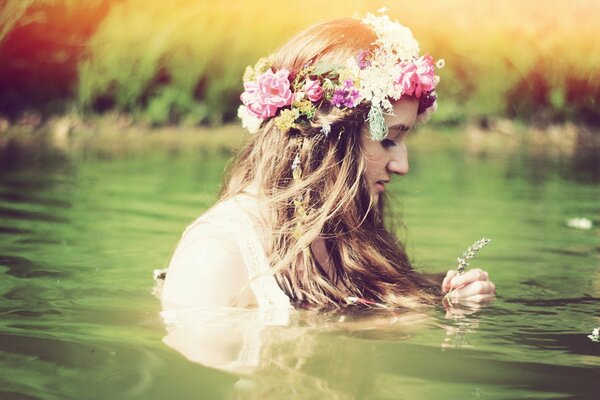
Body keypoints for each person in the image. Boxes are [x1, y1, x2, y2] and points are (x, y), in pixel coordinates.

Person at [160, 11, 496, 312]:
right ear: (330, 137)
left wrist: (447, 296)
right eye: (389, 139)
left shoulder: (348, 227)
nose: (402, 166)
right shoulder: (215, 255)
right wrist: (398, 323)